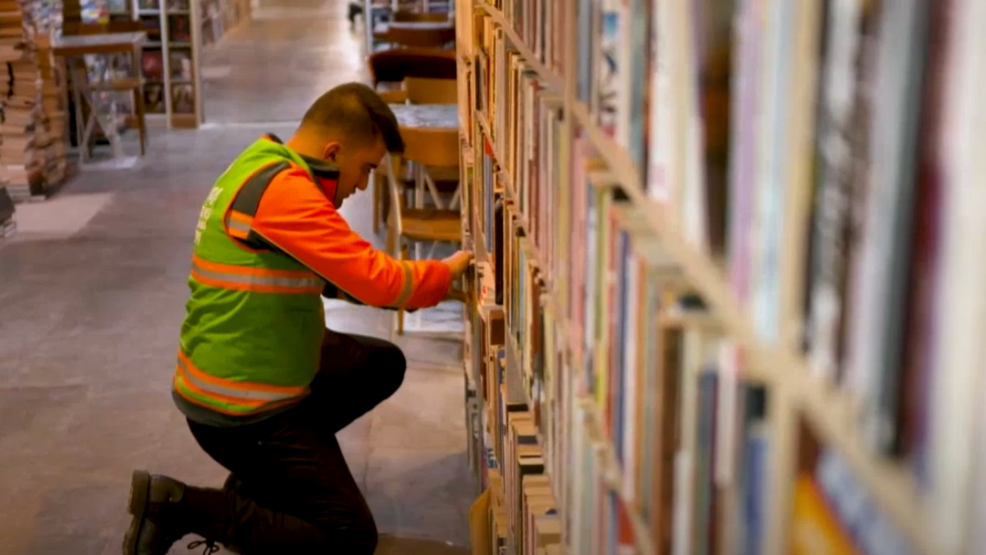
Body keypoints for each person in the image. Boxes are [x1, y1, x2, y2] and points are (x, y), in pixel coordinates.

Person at [123, 82, 473, 555]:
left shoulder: (261, 163)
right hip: (241, 408)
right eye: (365, 169)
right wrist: (446, 275)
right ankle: (179, 506)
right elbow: (377, 281)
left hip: (239, 368)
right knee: (348, 537)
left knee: (379, 364)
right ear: (333, 150)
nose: (363, 186)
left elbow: (332, 275)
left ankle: (265, 483)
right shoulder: (283, 193)